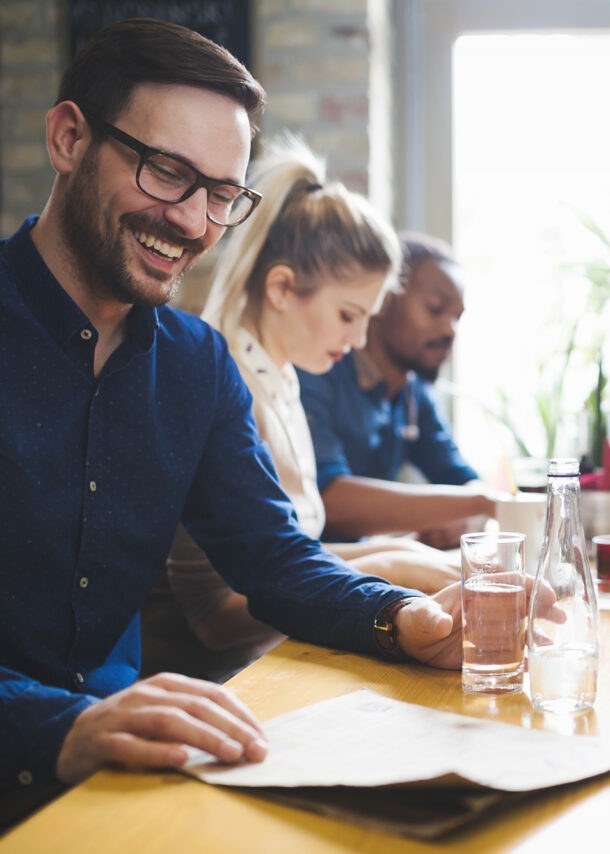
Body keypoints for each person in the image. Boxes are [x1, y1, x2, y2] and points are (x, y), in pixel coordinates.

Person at [0, 18, 464, 827]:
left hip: (131, 771)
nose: (192, 223)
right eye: (167, 172)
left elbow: (275, 559)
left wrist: (400, 620)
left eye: (222, 195)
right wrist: (63, 724)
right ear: (69, 138)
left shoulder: (196, 365)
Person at [151, 137, 464, 683]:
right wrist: (387, 567)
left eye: (367, 317)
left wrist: (396, 553)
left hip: (284, 654)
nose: (361, 337)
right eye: (348, 315)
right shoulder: (227, 383)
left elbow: (290, 554)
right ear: (281, 288)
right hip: (217, 679)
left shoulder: (283, 375)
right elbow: (215, 618)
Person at [297, 232, 494, 547]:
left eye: (457, 317)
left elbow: (461, 477)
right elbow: (328, 500)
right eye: (435, 308)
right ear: (383, 299)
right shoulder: (318, 369)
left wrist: (467, 517)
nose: (449, 330)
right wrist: (479, 504)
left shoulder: (414, 394)